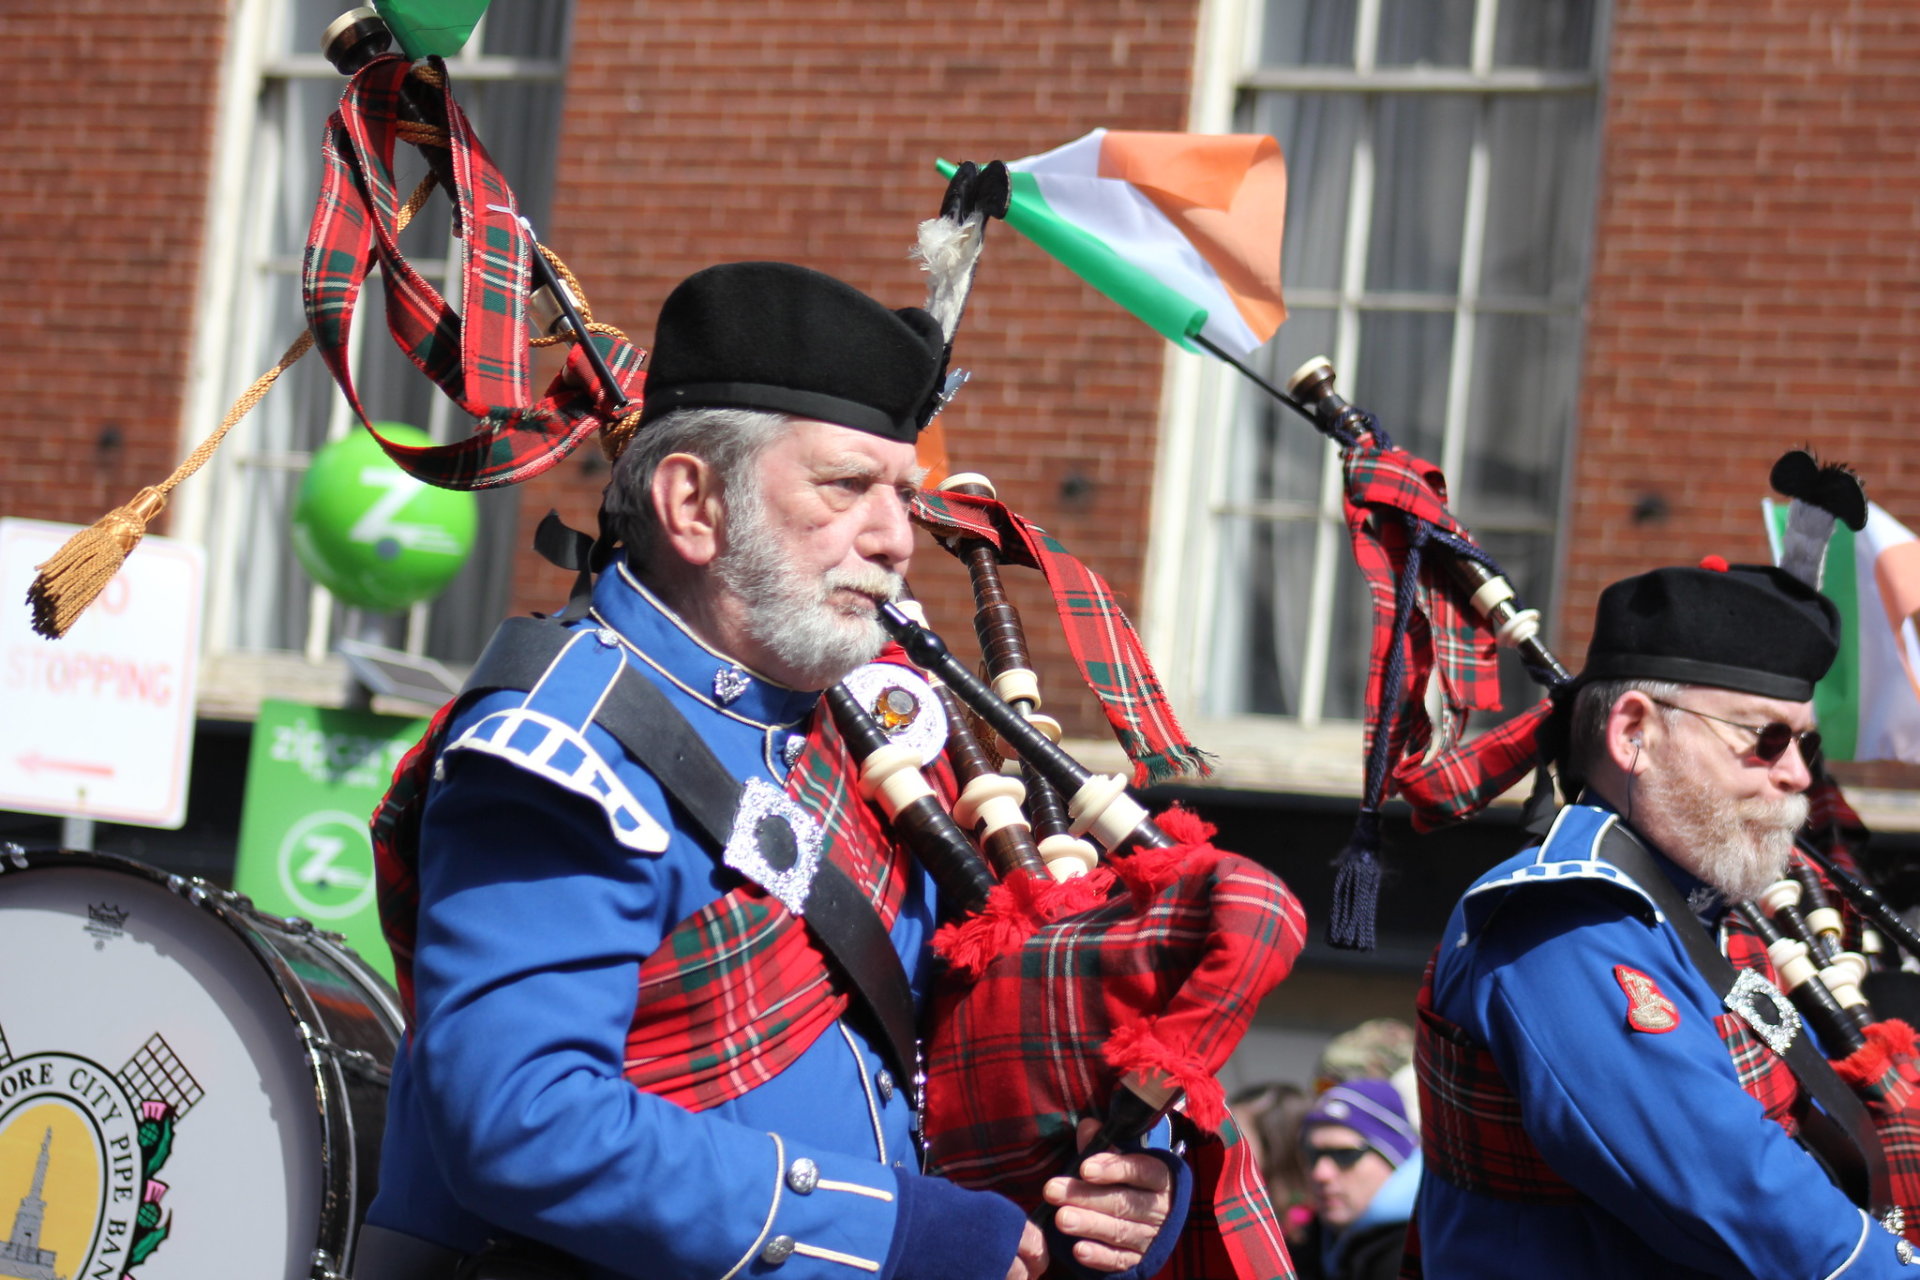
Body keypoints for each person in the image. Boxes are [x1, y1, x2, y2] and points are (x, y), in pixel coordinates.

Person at [357, 261, 1182, 1280]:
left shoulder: (869, 733)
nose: (891, 540)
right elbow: (521, 1119)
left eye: (905, 497)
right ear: (694, 503)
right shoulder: (560, 749)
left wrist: (1113, 1183)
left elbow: (960, 1060)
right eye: (846, 486)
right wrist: (888, 1229)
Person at [1412, 559, 1920, 1276]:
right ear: (1633, 734)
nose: (1799, 775)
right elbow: (1742, 1194)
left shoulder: (1709, 915)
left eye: (1805, 744)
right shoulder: (1563, 927)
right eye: (1765, 739)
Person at [1297, 1080, 1419, 1280]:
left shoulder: (1421, 1254)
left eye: (1345, 1154)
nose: (1321, 1173)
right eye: (1312, 1154)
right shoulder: (1311, 1240)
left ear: (1394, 1158)